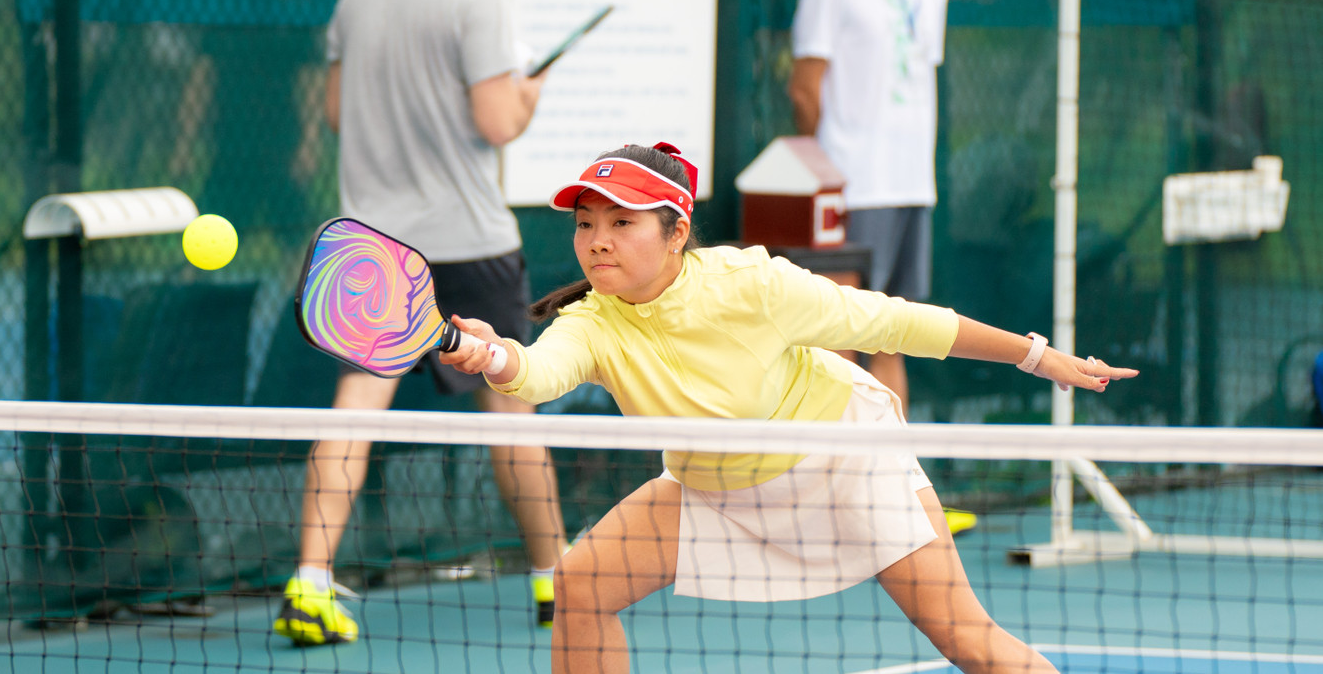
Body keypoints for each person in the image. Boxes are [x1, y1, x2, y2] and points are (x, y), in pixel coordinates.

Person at [440, 142, 1138, 674]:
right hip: (714, 486)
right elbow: (534, 372)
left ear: (676, 231)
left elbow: (895, 322)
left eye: (622, 222)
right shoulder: (596, 320)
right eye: (586, 222)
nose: (597, 239)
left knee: (963, 636)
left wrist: (1036, 355)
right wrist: (491, 353)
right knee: (580, 582)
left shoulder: (753, 284)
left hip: (841, 459)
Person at [273, 0, 568, 646]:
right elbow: (497, 121)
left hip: (374, 248)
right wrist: (530, 96)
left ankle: (309, 582)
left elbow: (336, 111)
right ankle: (556, 583)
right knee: (513, 412)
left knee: (354, 413)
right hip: (470, 242)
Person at [788, 0, 948, 419]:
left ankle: (895, 489)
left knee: (895, 337)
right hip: (854, 190)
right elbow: (804, 87)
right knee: (840, 341)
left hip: (911, 188)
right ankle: (831, 489)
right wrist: (829, 173)